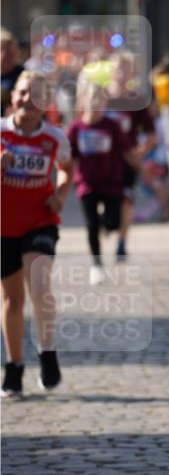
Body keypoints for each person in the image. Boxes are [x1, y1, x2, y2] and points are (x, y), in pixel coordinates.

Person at [1, 71, 73, 397]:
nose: (27, 99)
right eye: (22, 92)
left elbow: (66, 169)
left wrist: (60, 194)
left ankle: (47, 350)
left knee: (40, 287)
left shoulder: (55, 137)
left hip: (40, 222)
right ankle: (14, 366)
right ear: (11, 96)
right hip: (4, 227)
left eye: (35, 95)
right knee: (12, 300)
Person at [68, 78, 140, 284]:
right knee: (91, 226)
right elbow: (68, 157)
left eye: (100, 99)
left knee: (114, 223)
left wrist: (140, 167)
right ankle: (97, 266)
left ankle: (105, 224)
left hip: (111, 182)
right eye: (92, 98)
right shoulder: (76, 128)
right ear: (84, 100)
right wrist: (64, 180)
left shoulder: (112, 126)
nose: (96, 103)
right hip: (86, 183)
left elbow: (126, 151)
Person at [104, 53, 157, 261]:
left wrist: (140, 152)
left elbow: (151, 133)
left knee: (126, 201)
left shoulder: (136, 101)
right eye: (118, 68)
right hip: (102, 163)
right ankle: (107, 222)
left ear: (132, 74)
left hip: (126, 162)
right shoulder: (101, 98)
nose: (121, 73)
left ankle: (121, 243)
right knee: (106, 203)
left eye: (125, 69)